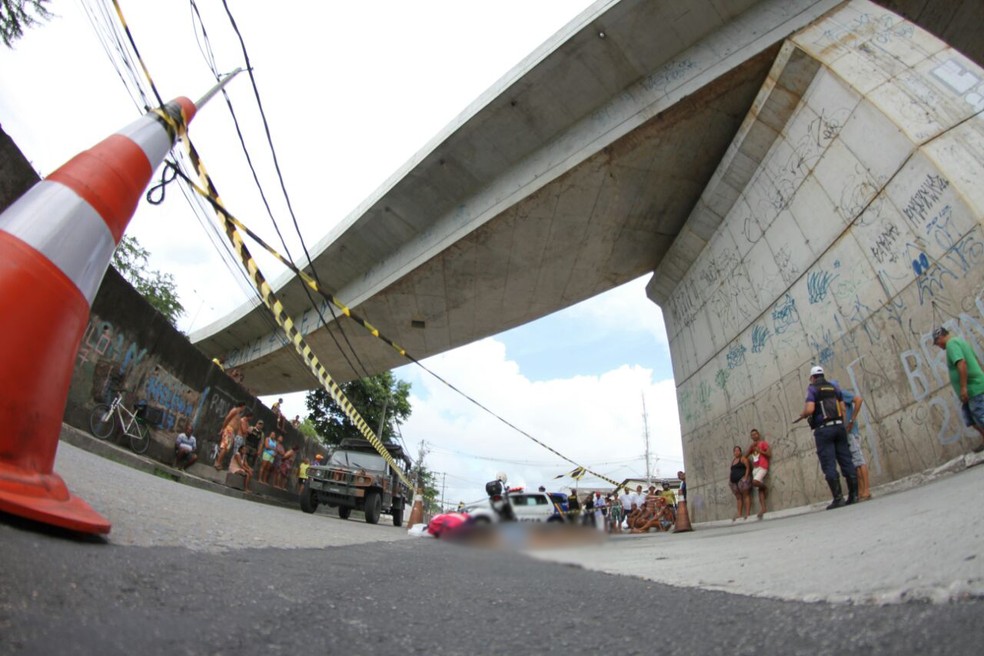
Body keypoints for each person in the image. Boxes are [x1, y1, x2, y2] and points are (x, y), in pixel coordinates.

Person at [795, 365, 857, 509]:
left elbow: (810, 409)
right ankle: (854, 495)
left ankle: (838, 498)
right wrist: (843, 423)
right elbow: (842, 407)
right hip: (839, 426)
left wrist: (804, 414)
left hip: (824, 430)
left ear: (812, 377)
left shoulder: (812, 389)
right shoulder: (834, 387)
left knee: (828, 463)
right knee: (846, 459)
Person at [933, 327, 984, 452]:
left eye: (937, 343)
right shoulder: (958, 341)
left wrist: (963, 387)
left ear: (940, 337)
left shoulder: (952, 344)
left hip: (973, 388)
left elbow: (961, 363)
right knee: (970, 418)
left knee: (980, 416)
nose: (938, 346)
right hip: (971, 390)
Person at [832, 380, 871, 501]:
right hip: (846, 434)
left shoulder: (842, 394)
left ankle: (866, 490)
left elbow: (858, 400)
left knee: (859, 461)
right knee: (854, 463)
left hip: (851, 432)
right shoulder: (836, 399)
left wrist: (851, 420)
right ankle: (860, 491)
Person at [745, 429, 771, 519]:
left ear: (758, 435)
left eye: (755, 434)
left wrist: (760, 451)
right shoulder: (752, 446)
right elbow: (745, 456)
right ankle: (763, 508)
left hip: (763, 466)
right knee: (759, 489)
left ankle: (765, 487)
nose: (754, 436)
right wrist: (750, 448)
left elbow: (769, 454)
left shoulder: (763, 443)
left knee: (755, 482)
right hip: (755, 469)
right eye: (752, 435)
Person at [729, 445, 752, 521]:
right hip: (734, 482)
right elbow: (731, 471)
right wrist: (730, 480)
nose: (736, 452)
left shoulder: (743, 459)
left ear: (740, 451)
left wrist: (745, 477)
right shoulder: (733, 461)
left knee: (746, 495)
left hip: (742, 480)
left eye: (738, 450)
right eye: (735, 451)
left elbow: (748, 468)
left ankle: (748, 513)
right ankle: (739, 514)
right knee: (738, 498)